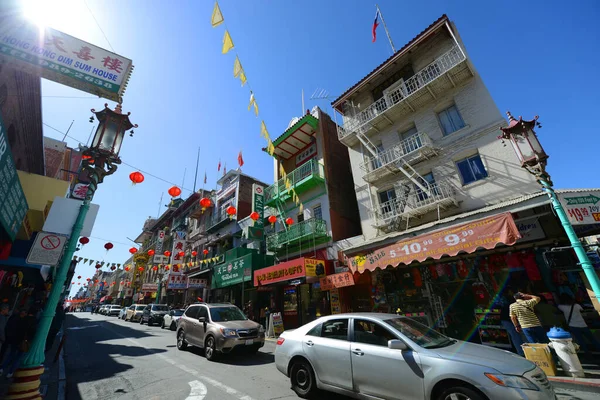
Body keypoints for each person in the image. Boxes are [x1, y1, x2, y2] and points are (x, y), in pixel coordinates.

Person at [0, 309, 35, 378]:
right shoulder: (34, 322)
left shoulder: (22, 319)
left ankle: (2, 368)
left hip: (15, 340)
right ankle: (10, 372)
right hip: (24, 342)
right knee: (18, 358)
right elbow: (32, 334)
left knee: (11, 355)